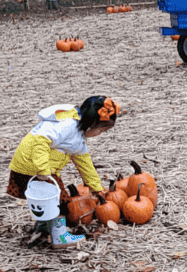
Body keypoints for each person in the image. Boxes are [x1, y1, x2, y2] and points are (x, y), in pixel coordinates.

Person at [7, 96, 120, 248]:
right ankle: (59, 237)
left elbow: (84, 163)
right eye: (102, 129)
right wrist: (43, 169)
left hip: (34, 165)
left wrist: (96, 187)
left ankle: (44, 229)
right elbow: (40, 141)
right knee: (60, 203)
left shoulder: (77, 134)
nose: (101, 133)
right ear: (92, 123)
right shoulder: (67, 125)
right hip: (34, 164)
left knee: (45, 201)